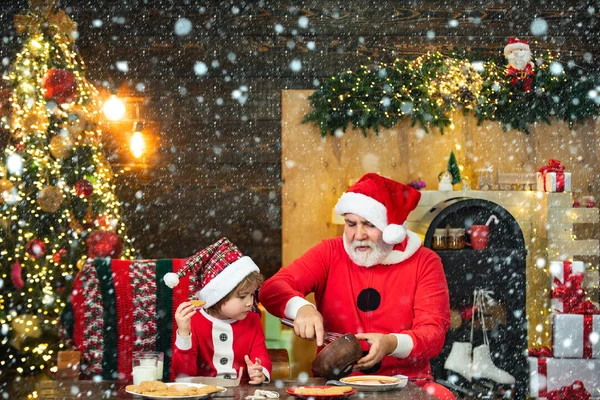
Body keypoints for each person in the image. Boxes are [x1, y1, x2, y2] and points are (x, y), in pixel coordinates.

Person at [259, 173, 453, 399]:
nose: (358, 235)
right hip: (335, 384)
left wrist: (391, 343)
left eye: (369, 225)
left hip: (408, 382)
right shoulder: (329, 253)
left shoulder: (424, 261)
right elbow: (271, 289)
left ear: (391, 228)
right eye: (351, 224)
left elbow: (433, 334)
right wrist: (301, 308)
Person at [163, 237, 272, 384]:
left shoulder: (253, 320)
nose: (250, 303)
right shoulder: (194, 322)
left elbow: (262, 355)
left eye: (252, 294)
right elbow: (183, 374)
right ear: (218, 297)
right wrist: (183, 334)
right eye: (242, 297)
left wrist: (260, 371)